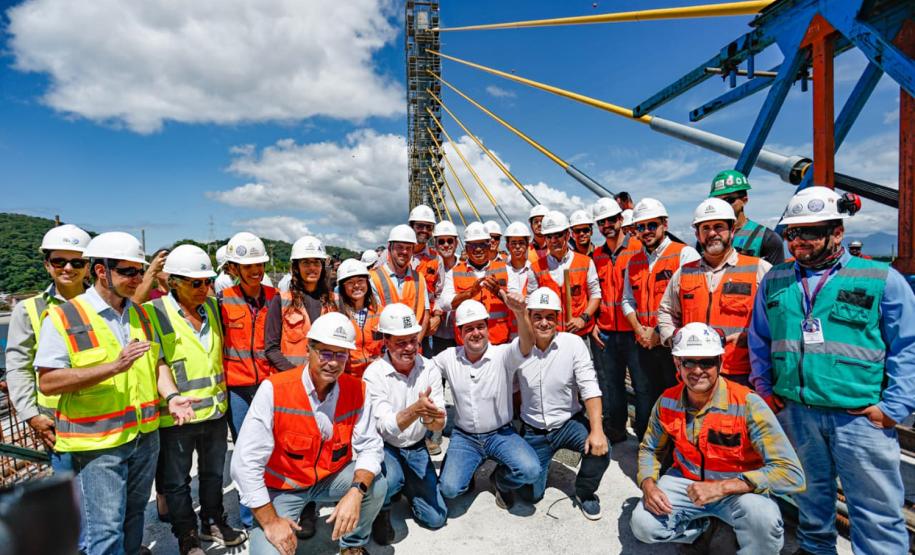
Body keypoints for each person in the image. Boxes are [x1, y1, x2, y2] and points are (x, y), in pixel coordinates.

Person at [749, 186, 915, 555]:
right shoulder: (775, 280)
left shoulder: (880, 279)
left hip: (859, 419)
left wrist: (893, 408)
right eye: (792, 232)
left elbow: (909, 346)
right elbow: (759, 339)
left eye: (810, 231)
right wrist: (763, 387)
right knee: (808, 498)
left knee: (876, 511)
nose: (799, 241)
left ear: (836, 232)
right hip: (796, 413)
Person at [33, 232, 168, 555]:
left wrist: (173, 396)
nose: (137, 278)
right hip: (98, 444)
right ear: (101, 271)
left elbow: (158, 363)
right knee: (104, 528)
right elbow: (48, 382)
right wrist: (112, 367)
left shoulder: (142, 314)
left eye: (139, 270)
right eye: (127, 271)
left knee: (135, 513)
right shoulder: (65, 317)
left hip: (144, 436)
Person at [631, 323, 805, 554]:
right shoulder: (667, 401)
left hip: (738, 488)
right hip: (686, 482)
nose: (697, 370)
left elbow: (791, 473)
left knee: (763, 520)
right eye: (689, 362)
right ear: (677, 363)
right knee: (644, 525)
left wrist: (722, 487)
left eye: (707, 362)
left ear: (720, 363)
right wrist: (648, 484)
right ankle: (702, 527)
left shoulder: (747, 404)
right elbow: (650, 449)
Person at [230, 313, 386, 555]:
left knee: (375, 484)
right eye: (325, 352)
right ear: (308, 350)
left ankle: (352, 545)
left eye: (340, 354)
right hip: (283, 488)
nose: (333, 363)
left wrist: (356, 491)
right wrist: (271, 522)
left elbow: (371, 446)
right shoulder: (274, 390)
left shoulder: (357, 390)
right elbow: (244, 464)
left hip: (328, 478)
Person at [144, 245, 245, 554]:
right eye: (194, 282)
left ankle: (214, 521)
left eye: (206, 281)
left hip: (214, 413)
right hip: (176, 418)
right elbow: (156, 362)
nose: (203, 288)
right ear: (173, 281)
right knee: (176, 482)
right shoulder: (153, 313)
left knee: (214, 474)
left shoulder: (214, 308)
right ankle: (186, 534)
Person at [432, 296, 541, 509]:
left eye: (480, 326)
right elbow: (422, 368)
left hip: (500, 434)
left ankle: (500, 480)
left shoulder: (503, 355)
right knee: (450, 489)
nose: (476, 333)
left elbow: (527, 345)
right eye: (469, 328)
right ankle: (467, 472)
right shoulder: (448, 357)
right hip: (465, 437)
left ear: (487, 328)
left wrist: (520, 313)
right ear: (459, 332)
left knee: (530, 470)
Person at [517, 287, 610, 520]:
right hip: (534, 430)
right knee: (531, 496)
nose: (544, 323)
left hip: (568, 424)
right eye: (537, 316)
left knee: (601, 450)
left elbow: (589, 387)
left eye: (550, 317)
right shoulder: (516, 349)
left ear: (558, 319)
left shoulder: (573, 344)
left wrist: (597, 431)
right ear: (529, 317)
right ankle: (529, 468)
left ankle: (585, 492)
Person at [657, 198, 770, 387]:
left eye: (718, 227)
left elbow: (777, 320)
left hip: (741, 373)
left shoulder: (759, 269)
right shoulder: (684, 273)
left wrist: (751, 338)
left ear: (732, 230)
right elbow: (666, 311)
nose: (712, 233)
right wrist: (675, 338)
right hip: (695, 373)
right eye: (705, 228)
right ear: (697, 234)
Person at [6, 225, 91, 471]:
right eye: (59, 261)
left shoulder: (106, 305)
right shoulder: (29, 310)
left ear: (87, 266)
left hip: (109, 421)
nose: (67, 268)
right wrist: (32, 416)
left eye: (77, 263)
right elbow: (18, 366)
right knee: (72, 498)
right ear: (47, 265)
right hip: (59, 424)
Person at [362, 304, 448, 544]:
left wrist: (434, 419)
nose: (410, 348)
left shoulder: (428, 367)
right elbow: (384, 427)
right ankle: (382, 507)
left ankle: (408, 486)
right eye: (401, 342)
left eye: (413, 340)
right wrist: (416, 410)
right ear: (386, 341)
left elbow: (439, 420)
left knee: (436, 518)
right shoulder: (374, 374)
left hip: (417, 446)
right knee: (390, 482)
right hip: (386, 447)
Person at [621, 198, 700, 440]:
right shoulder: (633, 262)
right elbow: (627, 300)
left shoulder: (684, 255)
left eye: (651, 225)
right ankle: (648, 449)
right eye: (640, 227)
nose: (645, 232)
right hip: (642, 343)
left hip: (672, 346)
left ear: (665, 224)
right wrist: (639, 331)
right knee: (645, 397)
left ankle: (675, 452)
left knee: (676, 398)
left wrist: (658, 333)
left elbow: (691, 302)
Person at [218, 231, 277, 529]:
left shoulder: (275, 299)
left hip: (268, 386)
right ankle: (250, 518)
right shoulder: (222, 301)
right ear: (233, 269)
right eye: (249, 265)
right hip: (238, 388)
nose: (256, 271)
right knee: (245, 450)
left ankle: (275, 505)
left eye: (259, 264)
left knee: (271, 446)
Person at [589, 198, 643, 444]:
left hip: (634, 332)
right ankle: (617, 431)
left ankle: (645, 435)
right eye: (602, 222)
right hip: (608, 332)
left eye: (612, 219)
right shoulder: (596, 256)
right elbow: (595, 293)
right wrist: (595, 324)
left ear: (621, 219)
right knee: (613, 387)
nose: (607, 225)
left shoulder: (639, 249)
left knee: (643, 387)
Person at [525, 211, 600, 340]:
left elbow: (595, 294)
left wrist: (583, 318)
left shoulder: (585, 262)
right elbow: (530, 302)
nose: (554, 240)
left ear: (567, 235)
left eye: (558, 235)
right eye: (549, 236)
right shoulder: (536, 268)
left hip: (581, 335)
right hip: (550, 337)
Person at [439, 222, 511, 346]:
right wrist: (469, 293)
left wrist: (499, 293)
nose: (478, 249)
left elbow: (517, 301)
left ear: (489, 246)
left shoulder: (506, 269)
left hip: (499, 343)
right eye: (473, 245)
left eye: (482, 244)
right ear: (466, 248)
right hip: (467, 346)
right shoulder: (454, 272)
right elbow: (445, 304)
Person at [708, 170, 784, 265]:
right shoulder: (707, 237)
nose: (723, 206)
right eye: (718, 202)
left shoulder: (767, 239)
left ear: (744, 200)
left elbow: (776, 278)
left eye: (729, 200)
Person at [369, 225, 430, 337]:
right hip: (385, 348)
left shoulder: (419, 279)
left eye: (408, 248)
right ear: (390, 248)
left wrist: (416, 344)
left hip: (413, 347)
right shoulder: (374, 278)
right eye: (399, 247)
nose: (404, 252)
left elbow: (425, 314)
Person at [335, 259, 382, 378]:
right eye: (350, 282)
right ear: (342, 287)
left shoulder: (380, 312)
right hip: (347, 379)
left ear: (367, 283)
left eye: (360, 281)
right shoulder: (337, 315)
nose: (356, 286)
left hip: (376, 378)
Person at [428, 220, 460, 356]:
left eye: (449, 241)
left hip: (461, 335)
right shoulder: (430, 267)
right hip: (437, 335)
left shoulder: (465, 267)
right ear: (435, 244)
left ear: (456, 243)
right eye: (441, 241)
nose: (446, 245)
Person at [503, 221, 531, 298]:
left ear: (527, 245)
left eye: (521, 243)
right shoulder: (502, 270)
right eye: (513, 243)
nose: (517, 246)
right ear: (507, 246)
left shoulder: (534, 270)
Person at [408, 204, 438, 275]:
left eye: (429, 227)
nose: (424, 230)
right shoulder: (389, 254)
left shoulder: (437, 259)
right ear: (411, 226)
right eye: (420, 226)